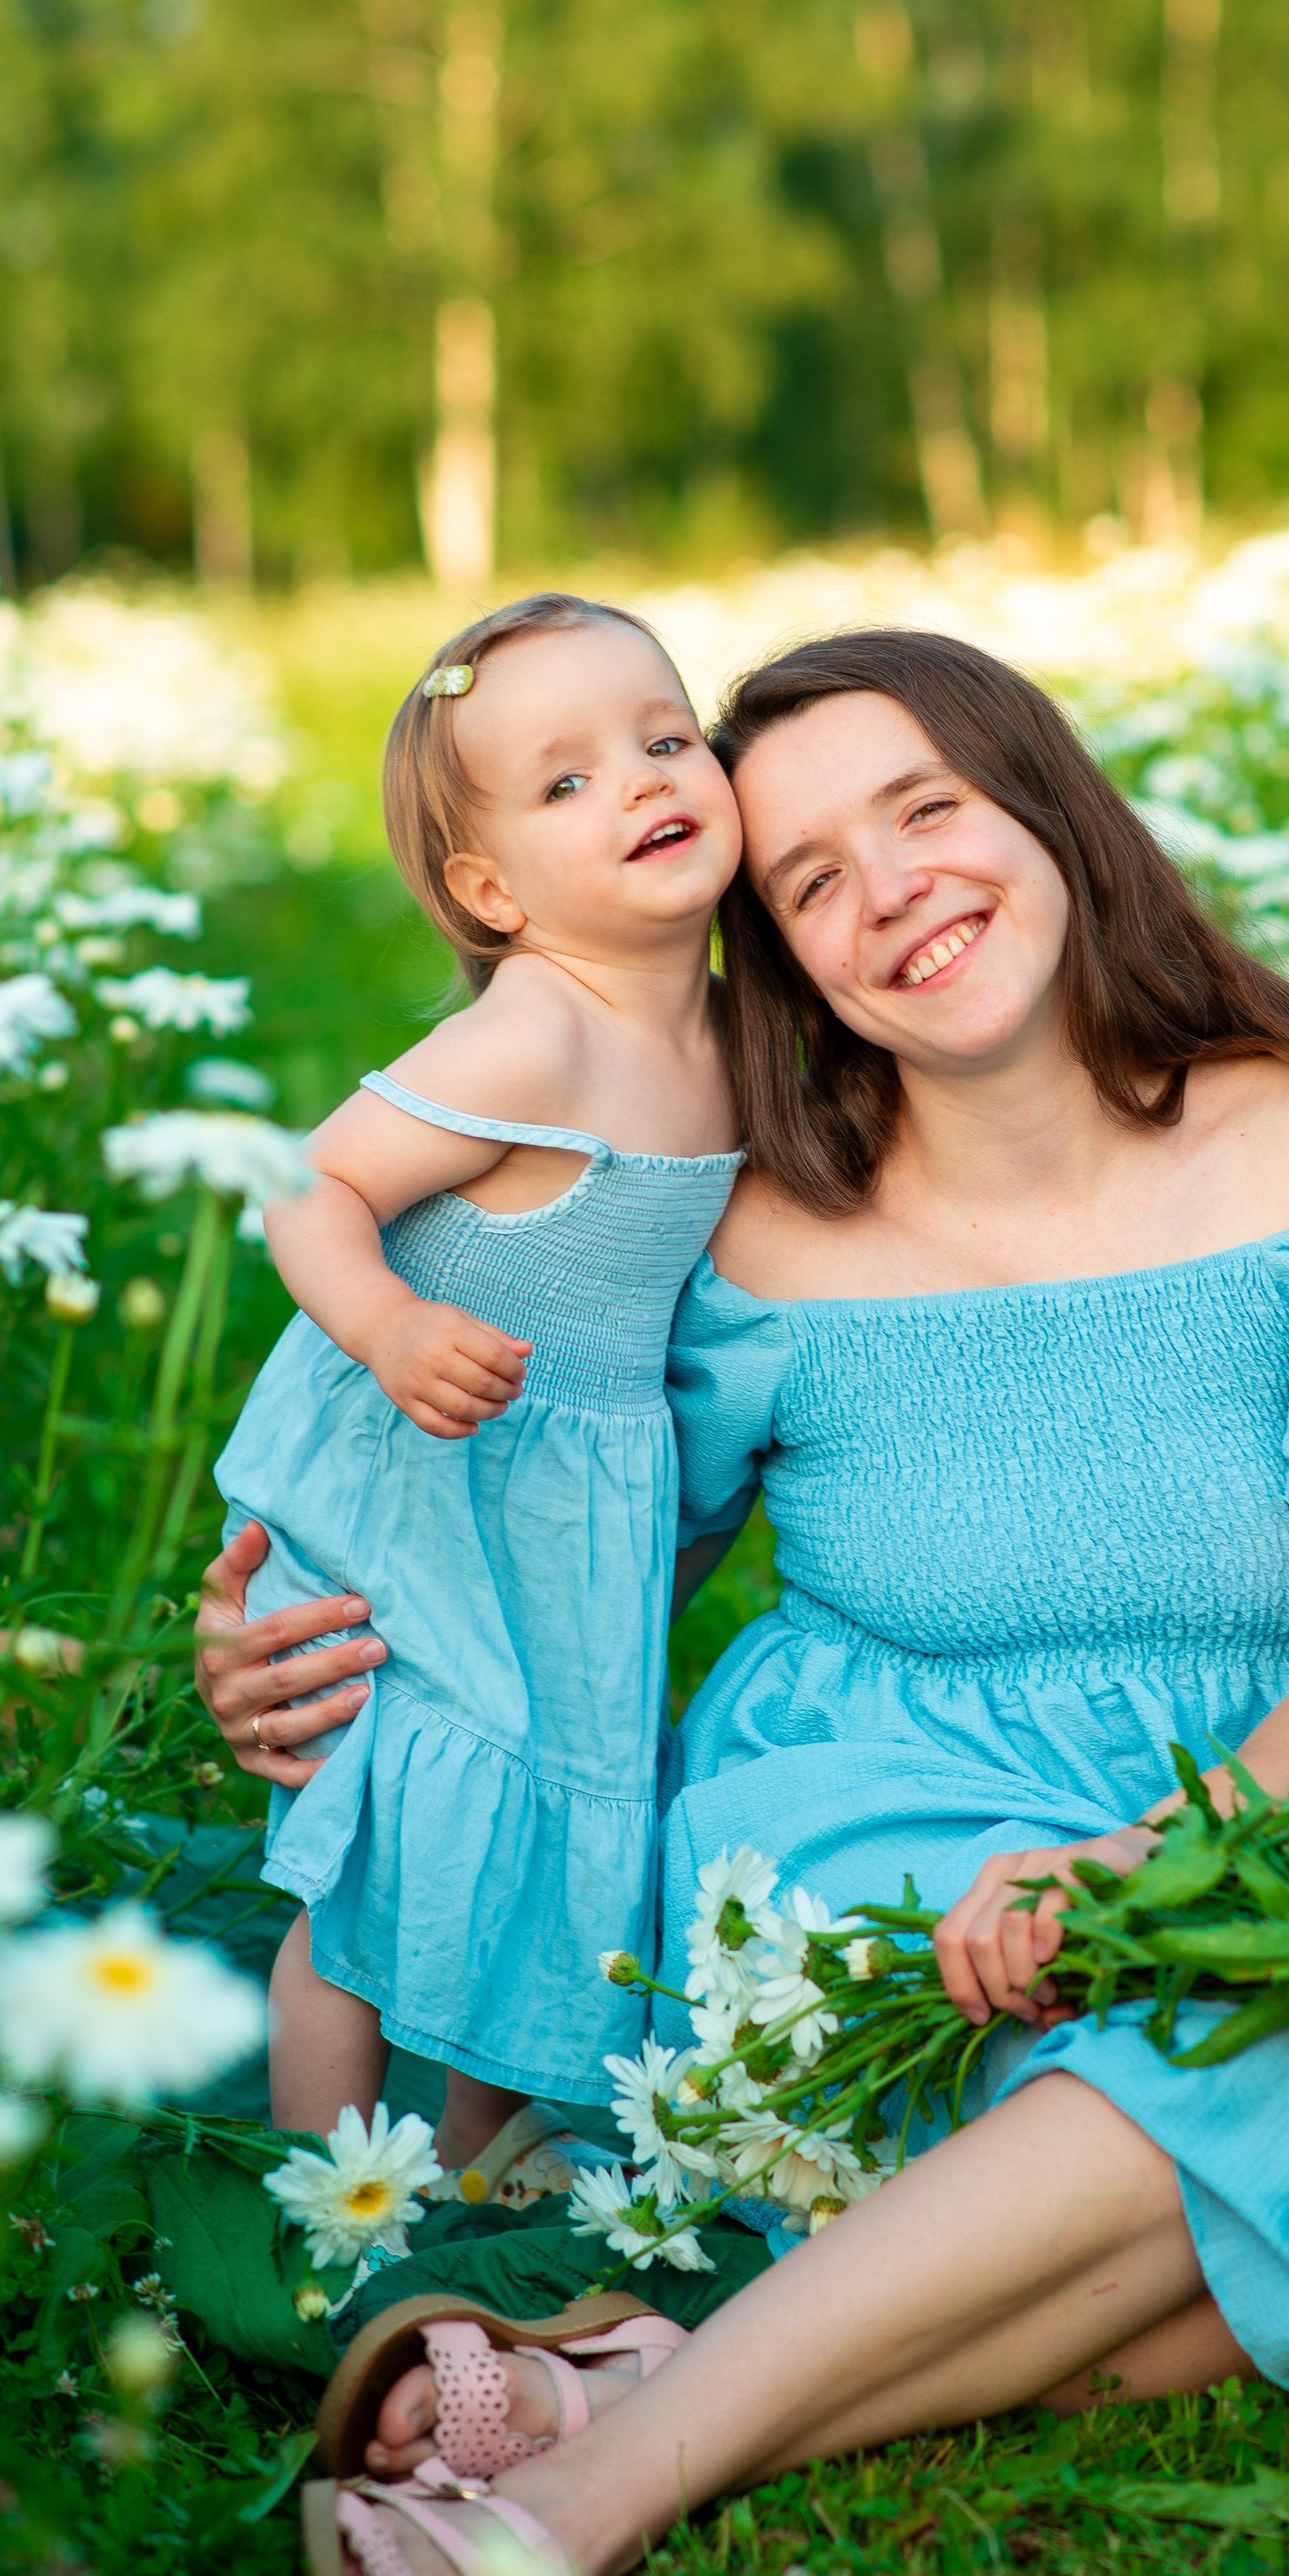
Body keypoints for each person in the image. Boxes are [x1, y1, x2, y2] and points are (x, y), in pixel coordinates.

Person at [198, 628, 1289, 2576]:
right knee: (1286, 2123)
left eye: (925, 808)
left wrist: (1143, 1860)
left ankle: (626, 2400)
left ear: (1047, 809)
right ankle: (573, 2524)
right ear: (778, 957)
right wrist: (320, 1665)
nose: (891, 890)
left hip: (1234, 1829)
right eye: (810, 879)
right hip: (860, 1839)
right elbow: (564, 1586)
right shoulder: (758, 1229)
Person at [212, 592, 742, 2181]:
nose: (643, 782)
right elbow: (307, 1186)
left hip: (565, 1503)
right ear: (490, 888)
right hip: (423, 1478)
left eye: (664, 739)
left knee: (563, 1833)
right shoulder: (536, 1035)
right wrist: (383, 1324)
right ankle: (333, 2193)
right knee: (383, 1842)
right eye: (565, 779)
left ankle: (481, 2162)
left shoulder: (729, 1031)